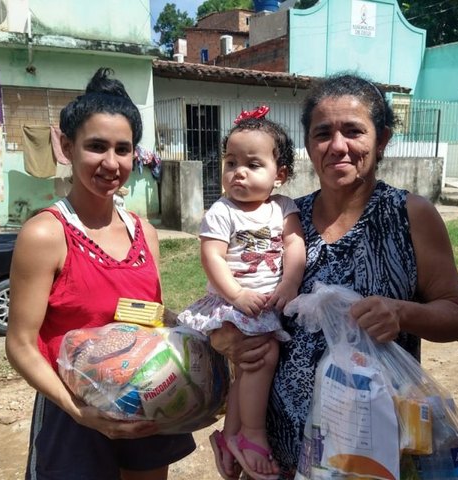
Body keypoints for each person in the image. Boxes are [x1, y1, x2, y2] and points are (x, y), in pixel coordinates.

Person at [209, 73, 458, 479]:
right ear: (308, 145)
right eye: (322, 133)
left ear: (381, 139)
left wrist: (401, 313)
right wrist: (228, 343)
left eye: (353, 131)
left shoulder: (410, 216)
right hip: (277, 453)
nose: (337, 146)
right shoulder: (281, 218)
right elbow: (229, 304)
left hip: (371, 453)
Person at [5, 67, 195, 480]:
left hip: (145, 405)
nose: (111, 163)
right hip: (74, 415)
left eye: (123, 149)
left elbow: (151, 317)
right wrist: (82, 412)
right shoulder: (45, 234)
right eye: (96, 147)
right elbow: (20, 344)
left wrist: (204, 340)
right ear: (67, 147)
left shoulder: (143, 232)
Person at [176, 107, 305, 480]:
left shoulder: (282, 208)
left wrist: (290, 283)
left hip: (264, 301)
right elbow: (211, 256)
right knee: (262, 358)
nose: (238, 172)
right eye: (231, 163)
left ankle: (230, 434)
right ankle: (251, 434)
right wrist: (235, 294)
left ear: (279, 174)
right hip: (234, 304)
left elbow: (295, 244)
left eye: (252, 164)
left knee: (247, 370)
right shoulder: (222, 211)